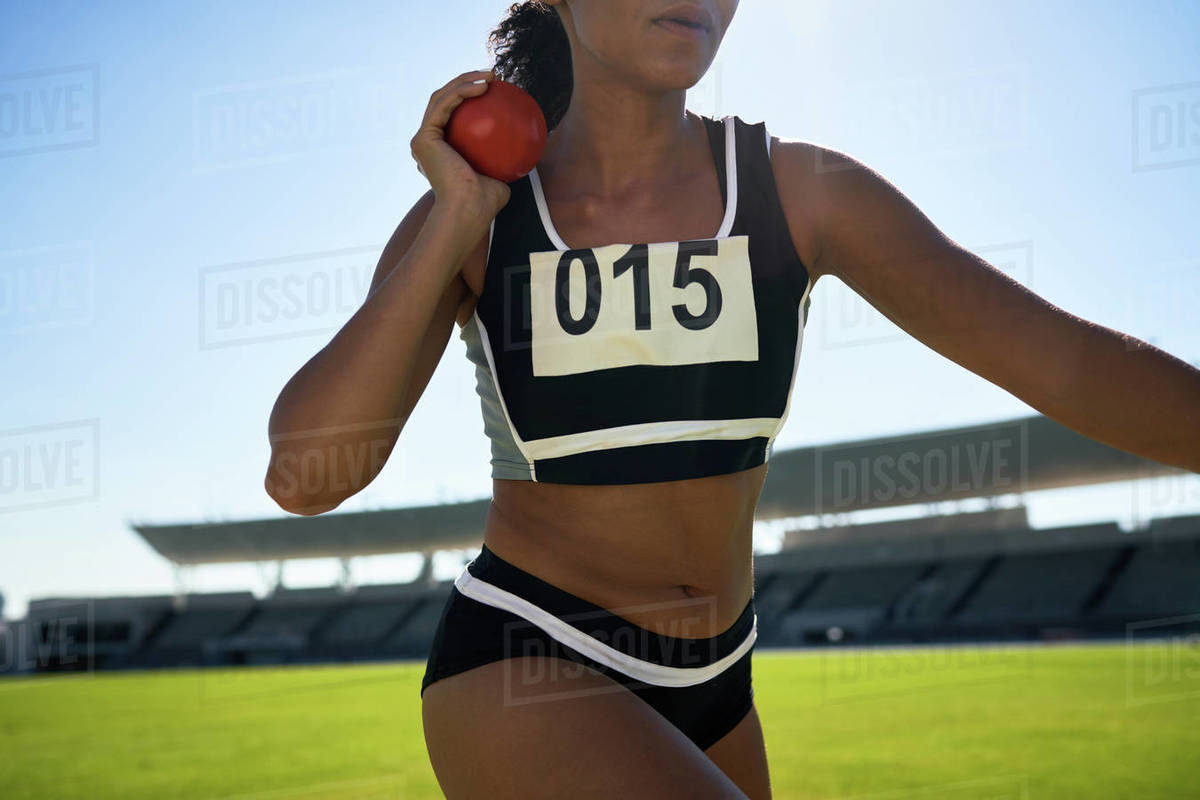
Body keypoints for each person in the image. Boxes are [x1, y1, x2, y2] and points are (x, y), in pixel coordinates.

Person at [263, 2, 1200, 797]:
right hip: (526, 656)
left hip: (719, 678)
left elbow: (1066, 364)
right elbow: (307, 475)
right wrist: (454, 218)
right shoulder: (478, 218)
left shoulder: (802, 192)